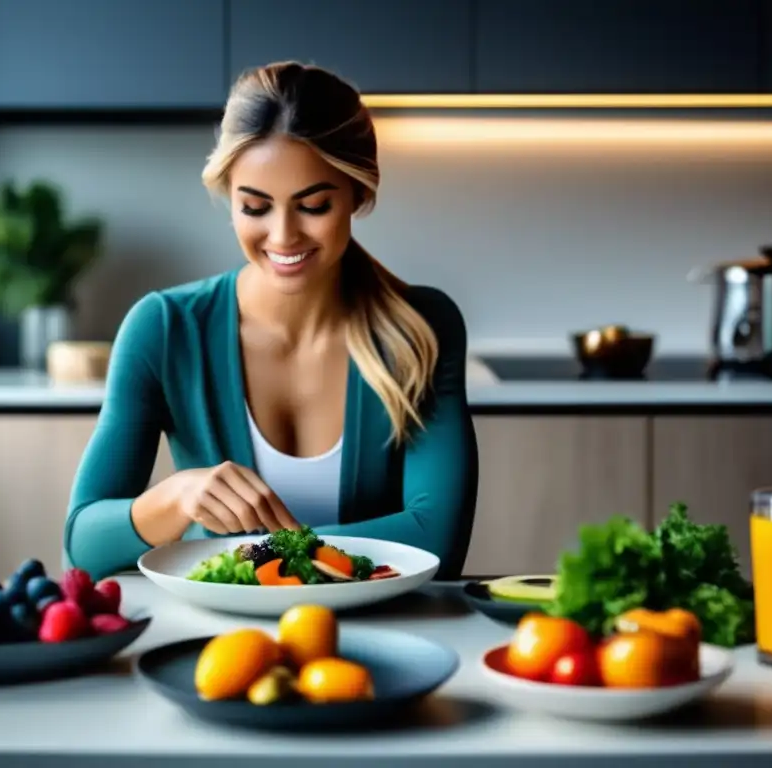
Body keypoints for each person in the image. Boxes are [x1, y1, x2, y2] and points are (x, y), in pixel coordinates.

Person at [64, 61, 479, 581]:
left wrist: (248, 553)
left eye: (314, 205)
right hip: (217, 641)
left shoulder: (422, 328)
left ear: (359, 193)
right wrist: (177, 496)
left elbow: (437, 538)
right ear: (230, 199)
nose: (283, 236)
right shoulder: (164, 329)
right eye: (255, 207)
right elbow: (81, 548)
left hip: (379, 632)